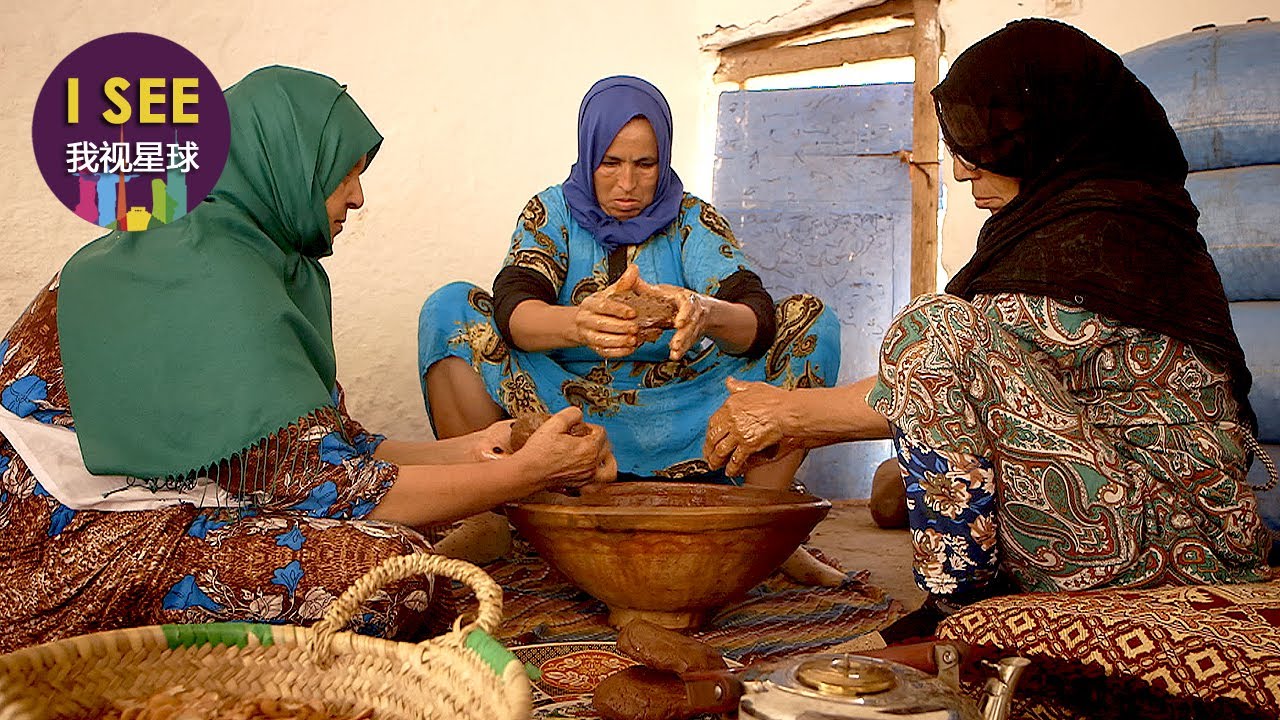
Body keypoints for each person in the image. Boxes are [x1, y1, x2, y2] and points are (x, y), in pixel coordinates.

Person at [0, 66, 613, 653]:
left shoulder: (241, 254)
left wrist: (483, 445)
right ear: (285, 164)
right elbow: (326, 484)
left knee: (404, 537)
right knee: (390, 576)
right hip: (59, 548)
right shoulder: (206, 273)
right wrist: (523, 474)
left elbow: (329, 448)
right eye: (344, 173)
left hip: (158, 504)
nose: (358, 195)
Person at [704, 19, 1274, 626]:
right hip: (1159, 521)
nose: (961, 172)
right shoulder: (1102, 222)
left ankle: (965, 607)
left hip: (1164, 540)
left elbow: (939, 366)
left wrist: (788, 416)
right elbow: (984, 392)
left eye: (985, 143)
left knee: (930, 326)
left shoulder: (1103, 237)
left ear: (1048, 135)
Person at [418, 75, 839, 489]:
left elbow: (757, 322)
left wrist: (704, 313)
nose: (627, 184)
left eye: (645, 165)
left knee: (811, 320)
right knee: (450, 308)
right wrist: (578, 324)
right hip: (562, 412)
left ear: (665, 159)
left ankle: (758, 525)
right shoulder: (552, 212)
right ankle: (487, 513)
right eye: (610, 163)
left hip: (689, 413)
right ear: (588, 155)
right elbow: (514, 311)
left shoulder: (691, 219)